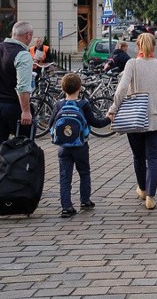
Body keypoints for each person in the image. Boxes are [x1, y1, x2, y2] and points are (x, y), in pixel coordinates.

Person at [107, 32, 157, 211]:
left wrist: (114, 108)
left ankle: (143, 189)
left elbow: (121, 89)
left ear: (137, 47)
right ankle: (151, 198)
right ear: (154, 47)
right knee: (154, 158)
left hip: (134, 118)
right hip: (156, 120)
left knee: (138, 157)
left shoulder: (132, 64)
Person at [0, 21, 35, 205]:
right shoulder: (22, 54)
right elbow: (22, 87)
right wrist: (26, 111)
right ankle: (18, 187)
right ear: (27, 35)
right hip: (13, 107)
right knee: (23, 147)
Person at [51, 73, 111, 217]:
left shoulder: (58, 104)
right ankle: (85, 200)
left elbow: (50, 125)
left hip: (63, 147)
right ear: (79, 88)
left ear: (63, 88)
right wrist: (109, 118)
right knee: (84, 173)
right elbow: (96, 123)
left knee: (65, 177)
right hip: (80, 146)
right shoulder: (83, 104)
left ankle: (66, 207)